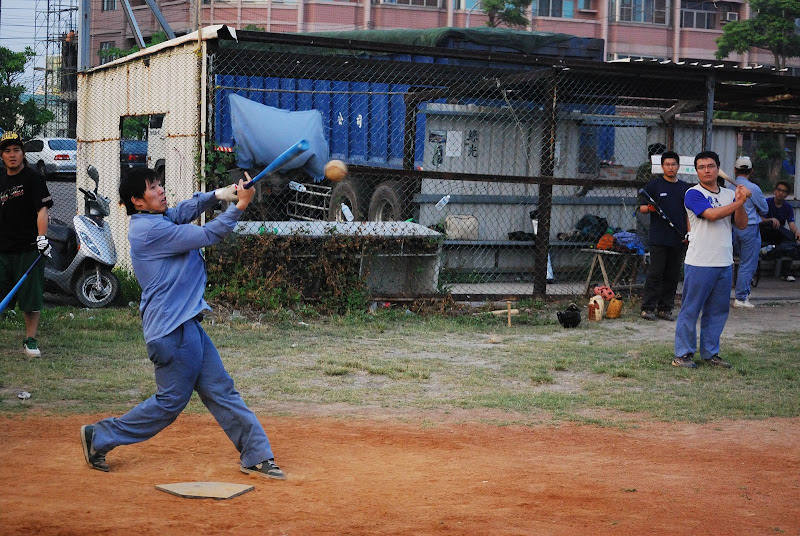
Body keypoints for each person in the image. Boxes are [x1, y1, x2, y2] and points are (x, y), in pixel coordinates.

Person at [80, 167, 285, 480]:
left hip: (187, 326)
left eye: (159, 184)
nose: (160, 190)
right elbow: (207, 235)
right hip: (170, 332)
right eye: (152, 188)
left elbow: (182, 211)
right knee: (169, 404)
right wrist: (240, 206)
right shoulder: (148, 230)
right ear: (137, 201)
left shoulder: (157, 218)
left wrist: (220, 194)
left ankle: (257, 455)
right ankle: (100, 436)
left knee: (221, 390)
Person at [673, 151, 750, 369]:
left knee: (717, 312)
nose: (706, 171)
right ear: (697, 171)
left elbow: (742, 224)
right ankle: (682, 354)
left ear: (718, 168)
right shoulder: (692, 193)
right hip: (700, 261)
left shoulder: (728, 194)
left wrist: (740, 203)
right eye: (701, 167)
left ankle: (710, 353)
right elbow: (712, 215)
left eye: (711, 166)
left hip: (724, 261)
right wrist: (739, 201)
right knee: (691, 309)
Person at [0, 131, 53, 357]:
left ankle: (30, 340)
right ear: (2, 156)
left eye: (16, 150)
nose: (12, 155)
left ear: (23, 153)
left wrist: (42, 238)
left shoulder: (33, 178)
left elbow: (42, 211)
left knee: (31, 299)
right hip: (2, 249)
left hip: (29, 249)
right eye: (7, 151)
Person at [638, 150, 690, 321]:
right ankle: (647, 308)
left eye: (673, 164)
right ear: (662, 167)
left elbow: (688, 213)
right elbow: (642, 208)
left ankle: (665, 308)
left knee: (672, 274)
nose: (670, 167)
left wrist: (688, 234)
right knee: (655, 273)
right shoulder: (654, 186)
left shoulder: (684, 188)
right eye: (667, 164)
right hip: (659, 238)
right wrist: (650, 208)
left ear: (678, 166)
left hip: (678, 238)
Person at [729, 156, 767, 309]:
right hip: (749, 228)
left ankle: (740, 294)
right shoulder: (753, 188)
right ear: (751, 171)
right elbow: (765, 209)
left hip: (731, 228)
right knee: (747, 263)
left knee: (730, 261)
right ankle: (741, 297)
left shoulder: (728, 188)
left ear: (735, 170)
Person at [760, 180, 800, 281]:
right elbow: (759, 219)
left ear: (787, 194)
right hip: (765, 231)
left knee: (791, 241)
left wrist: (796, 232)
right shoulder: (767, 203)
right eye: (779, 190)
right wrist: (771, 219)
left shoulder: (788, 207)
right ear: (775, 191)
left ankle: (786, 273)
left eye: (784, 191)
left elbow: (791, 223)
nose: (780, 193)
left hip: (779, 233)